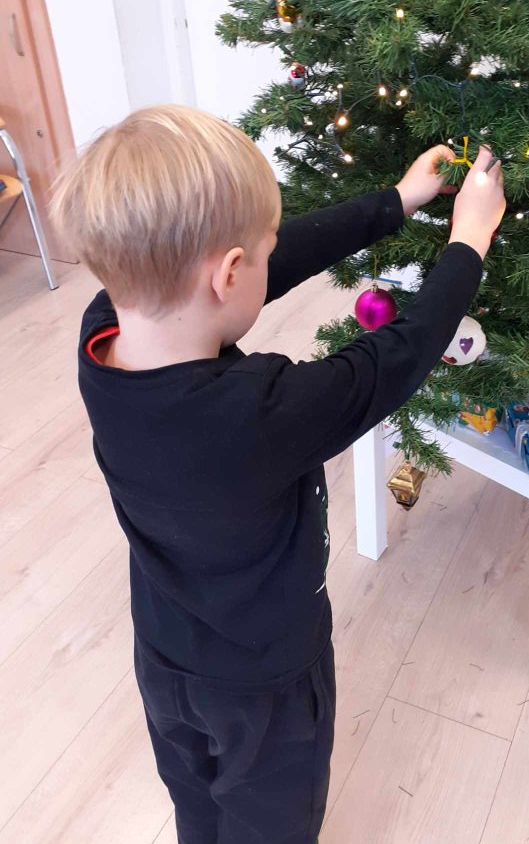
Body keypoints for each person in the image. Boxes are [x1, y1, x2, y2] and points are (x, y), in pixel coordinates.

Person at [51, 105, 505, 844]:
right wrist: (469, 241)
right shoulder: (258, 413)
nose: (273, 259)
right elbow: (395, 356)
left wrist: (394, 202)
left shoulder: (103, 330)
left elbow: (254, 266)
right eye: (260, 254)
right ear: (230, 273)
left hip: (164, 654)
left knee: (197, 806)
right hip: (266, 682)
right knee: (273, 826)